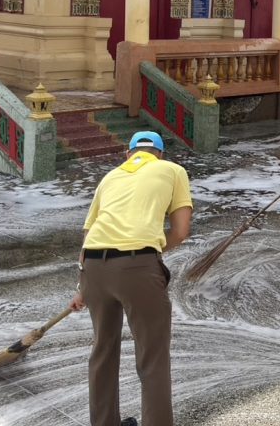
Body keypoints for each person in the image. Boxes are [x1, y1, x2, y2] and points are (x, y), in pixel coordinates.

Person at [69, 131, 193, 426]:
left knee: (102, 349)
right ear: (159, 154)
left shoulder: (109, 177)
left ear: (128, 154)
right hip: (138, 266)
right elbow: (180, 231)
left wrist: (82, 287)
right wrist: (149, 249)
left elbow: (89, 234)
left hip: (94, 268)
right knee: (152, 356)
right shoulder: (172, 170)